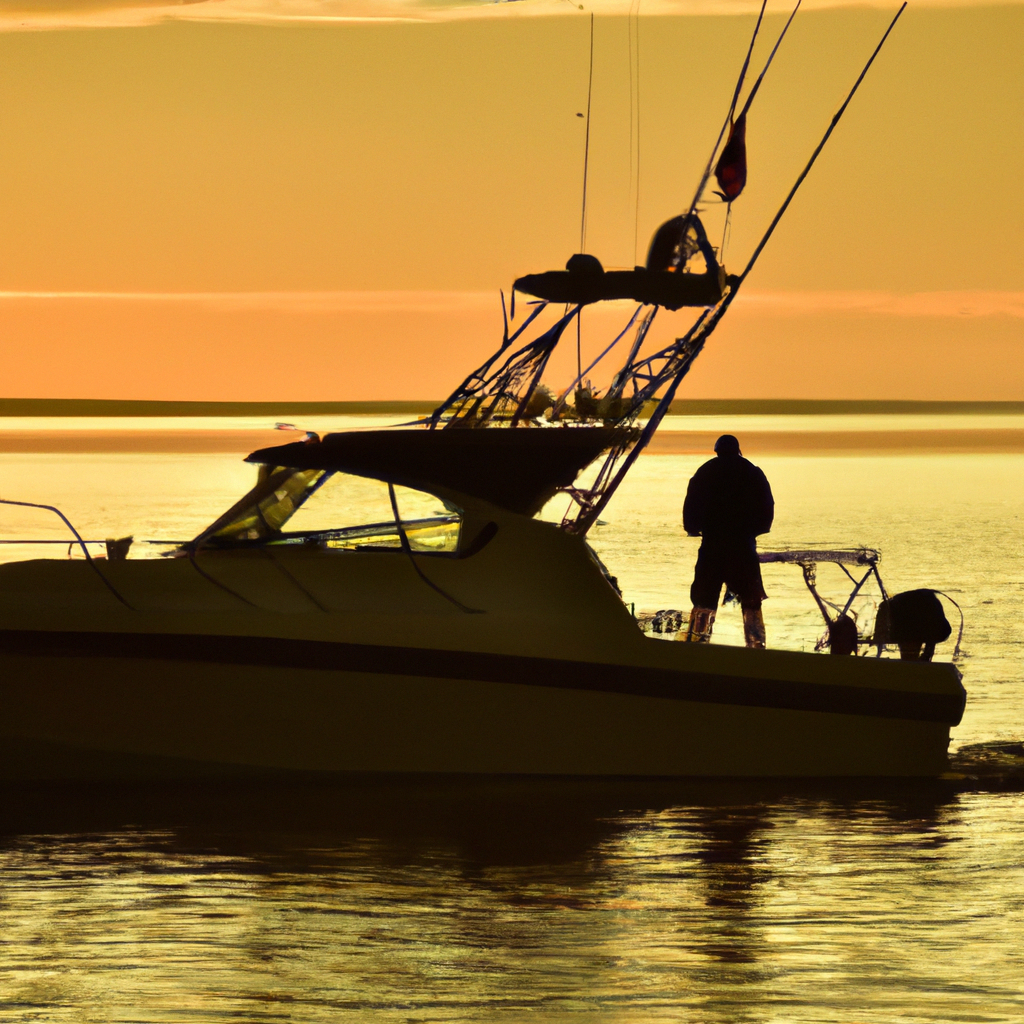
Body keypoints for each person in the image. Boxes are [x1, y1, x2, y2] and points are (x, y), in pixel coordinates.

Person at [679, 434, 774, 648]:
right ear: (737, 450)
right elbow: (767, 508)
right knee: (751, 601)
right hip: (743, 548)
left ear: (717, 450)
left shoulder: (705, 472)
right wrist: (755, 531)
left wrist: (694, 529)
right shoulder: (752, 472)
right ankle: (756, 646)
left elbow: (691, 507)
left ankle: (697, 643)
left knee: (704, 600)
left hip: (712, 546)